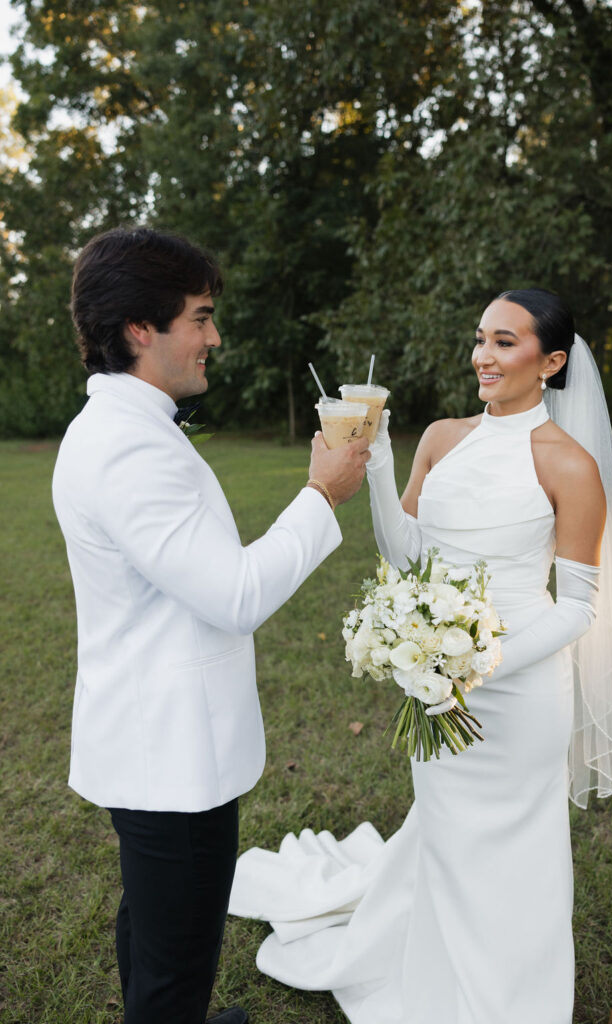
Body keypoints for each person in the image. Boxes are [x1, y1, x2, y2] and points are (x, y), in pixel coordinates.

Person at [228, 288, 612, 1023]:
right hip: (436, 678)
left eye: (504, 342)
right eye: (479, 338)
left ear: (549, 361)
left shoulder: (569, 465)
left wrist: (477, 664)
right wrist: (382, 468)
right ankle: (434, 979)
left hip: (517, 689)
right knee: (446, 837)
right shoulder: (443, 438)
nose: (482, 355)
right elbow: (406, 551)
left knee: (517, 857)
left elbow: (578, 606)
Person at [51, 226, 370, 1024]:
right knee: (175, 957)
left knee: (156, 927)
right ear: (139, 329)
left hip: (153, 736)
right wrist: (321, 494)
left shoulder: (128, 427)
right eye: (198, 316)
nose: (213, 336)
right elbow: (234, 595)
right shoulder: (129, 447)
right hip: (171, 751)